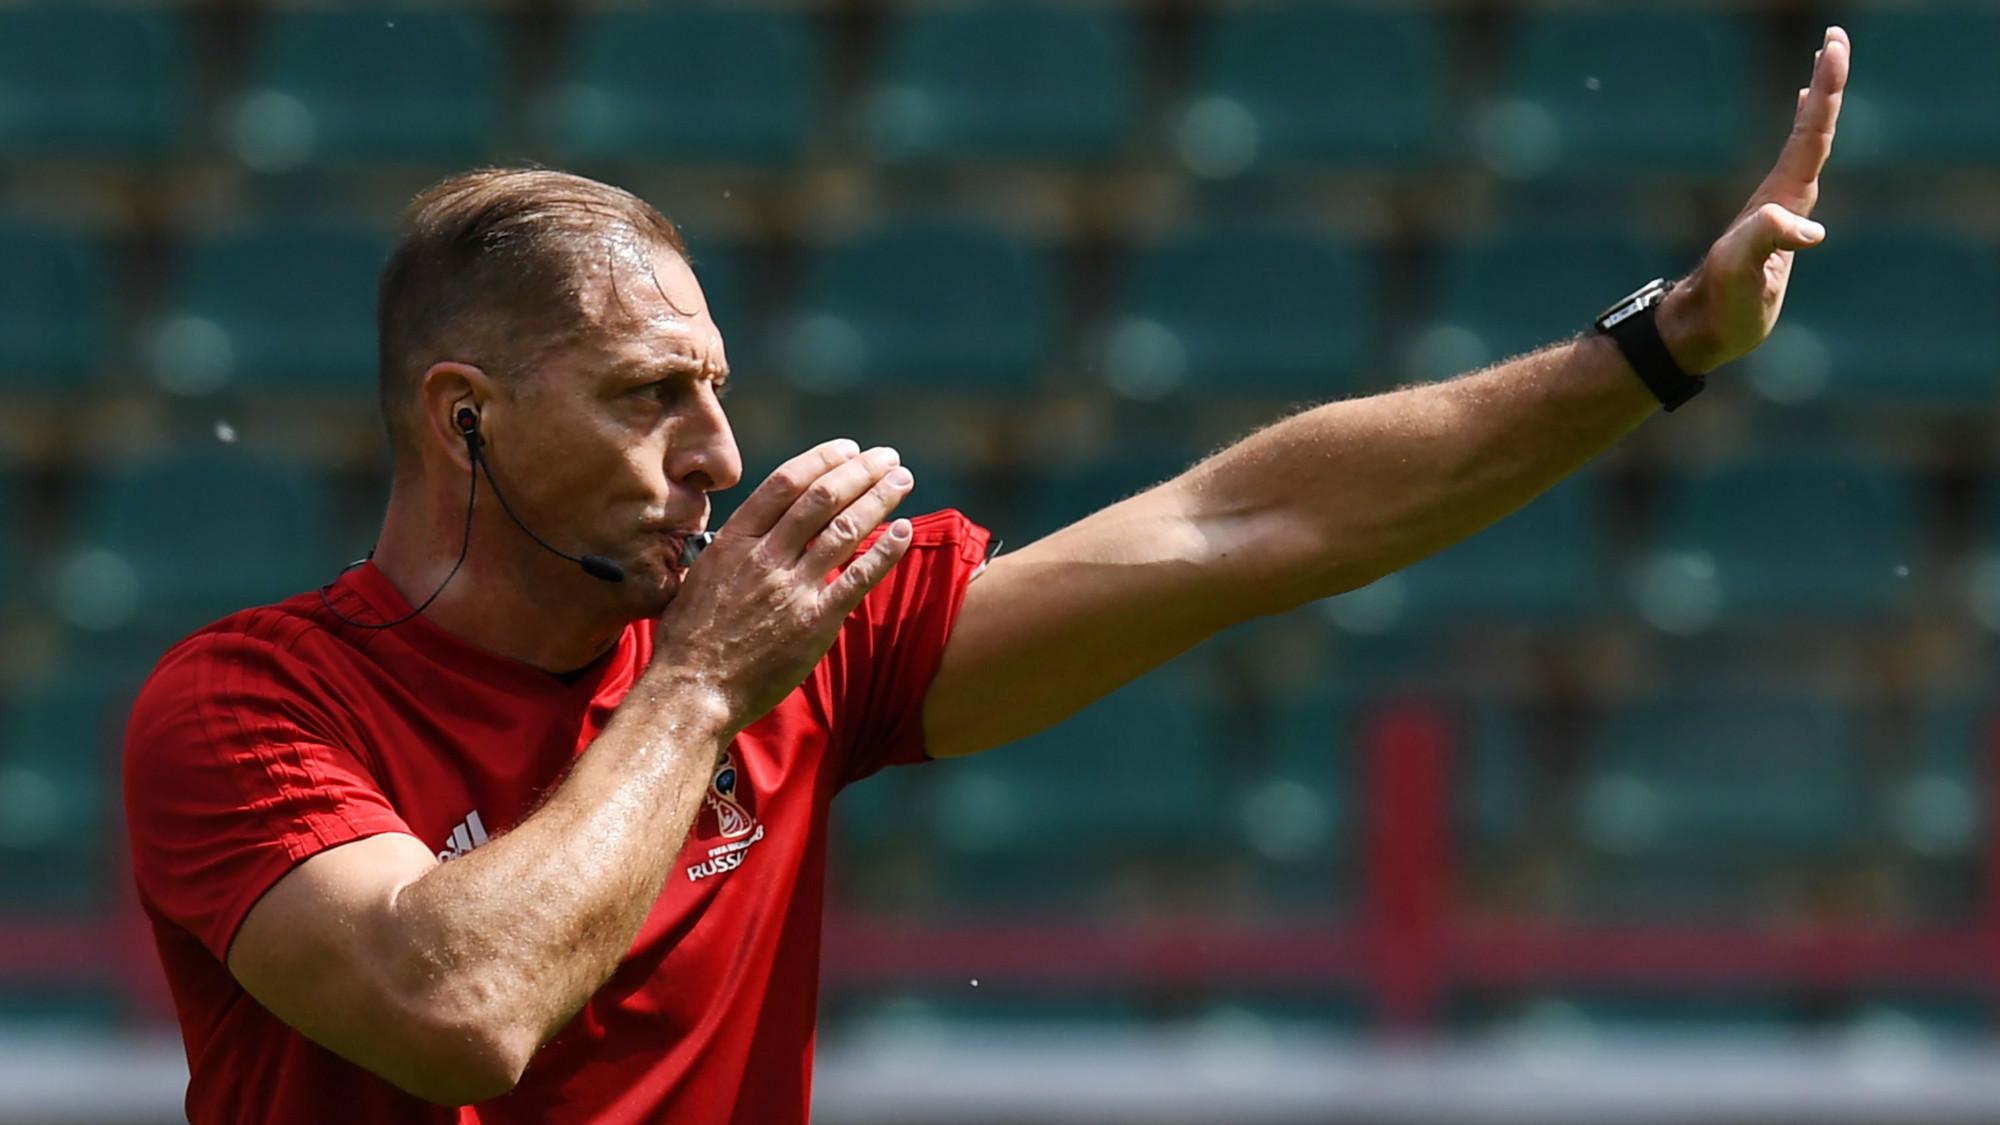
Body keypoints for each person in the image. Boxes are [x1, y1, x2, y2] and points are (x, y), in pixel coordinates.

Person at [122, 27, 1852, 1125]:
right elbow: (455, 1006)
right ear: (465, 420)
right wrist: (700, 693)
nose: (721, 455)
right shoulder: (248, 708)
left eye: (719, 389)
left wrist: (1659, 350)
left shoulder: (774, 628)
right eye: (655, 398)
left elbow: (1241, 527)